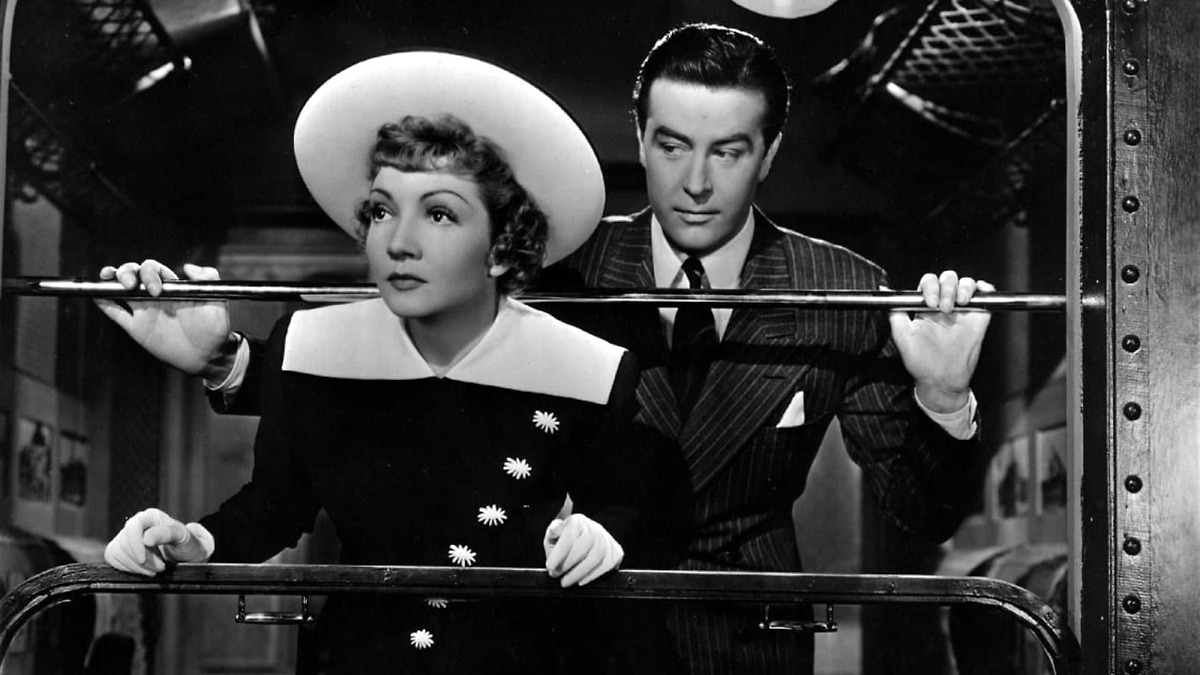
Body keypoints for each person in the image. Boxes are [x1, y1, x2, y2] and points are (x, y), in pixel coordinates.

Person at [101, 24, 993, 674]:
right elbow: (414, 377)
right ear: (639, 136)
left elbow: (922, 509)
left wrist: (945, 400)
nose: (695, 181)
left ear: (770, 153)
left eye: (728, 151)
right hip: (570, 632)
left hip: (742, 637)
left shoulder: (840, 288)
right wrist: (227, 359)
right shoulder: (559, 259)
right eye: (672, 145)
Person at [99, 52, 683, 674]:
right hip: (355, 658)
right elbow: (272, 508)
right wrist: (189, 541)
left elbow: (623, 502)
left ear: (501, 246)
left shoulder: (589, 369)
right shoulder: (311, 347)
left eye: (439, 213)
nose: (398, 242)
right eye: (382, 210)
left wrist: (600, 534)